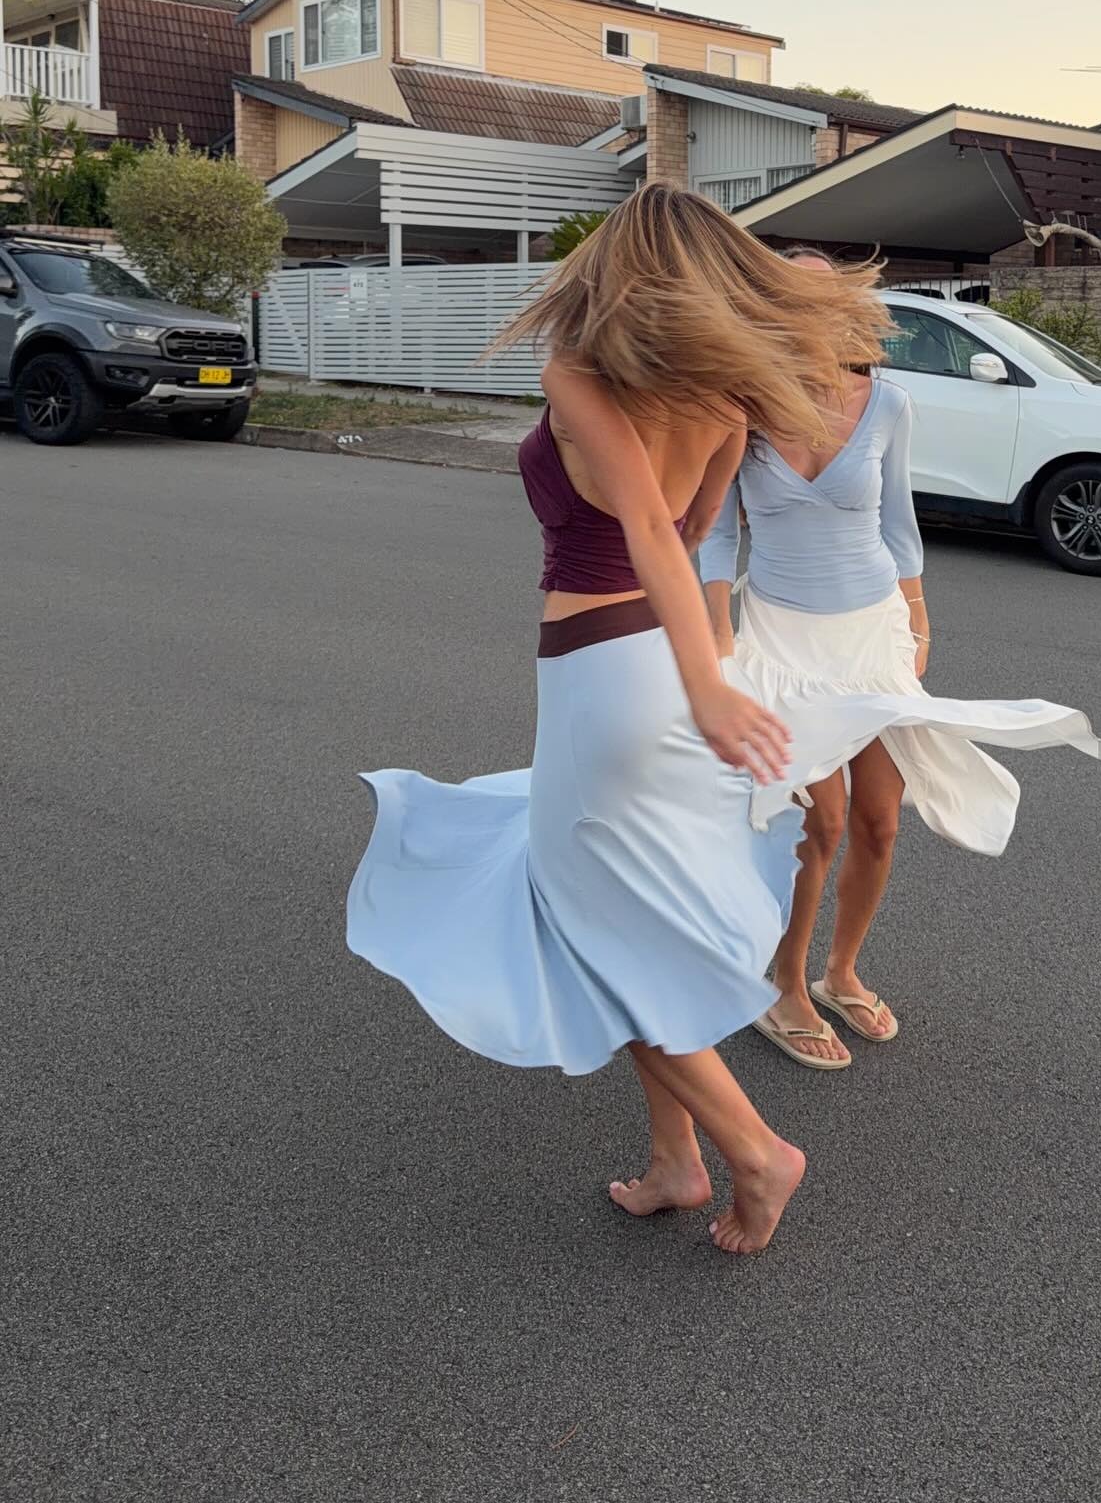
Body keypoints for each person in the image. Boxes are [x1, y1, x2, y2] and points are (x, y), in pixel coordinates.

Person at [347, 184, 897, 1255]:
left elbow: (647, 522)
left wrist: (706, 684)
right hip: (664, 662)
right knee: (624, 916)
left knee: (582, 931)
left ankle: (753, 1150)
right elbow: (692, 532)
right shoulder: (728, 395)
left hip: (610, 674)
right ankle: (675, 1162)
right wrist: (706, 670)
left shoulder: (576, 373)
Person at [695, 247, 1101, 1072]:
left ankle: (841, 970)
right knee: (823, 819)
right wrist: (720, 644)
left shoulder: (887, 404)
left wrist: (919, 624)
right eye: (786, 302)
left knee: (881, 819)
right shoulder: (740, 408)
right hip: (781, 639)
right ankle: (784, 986)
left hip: (873, 633)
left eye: (822, 302)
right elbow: (717, 532)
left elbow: (898, 524)